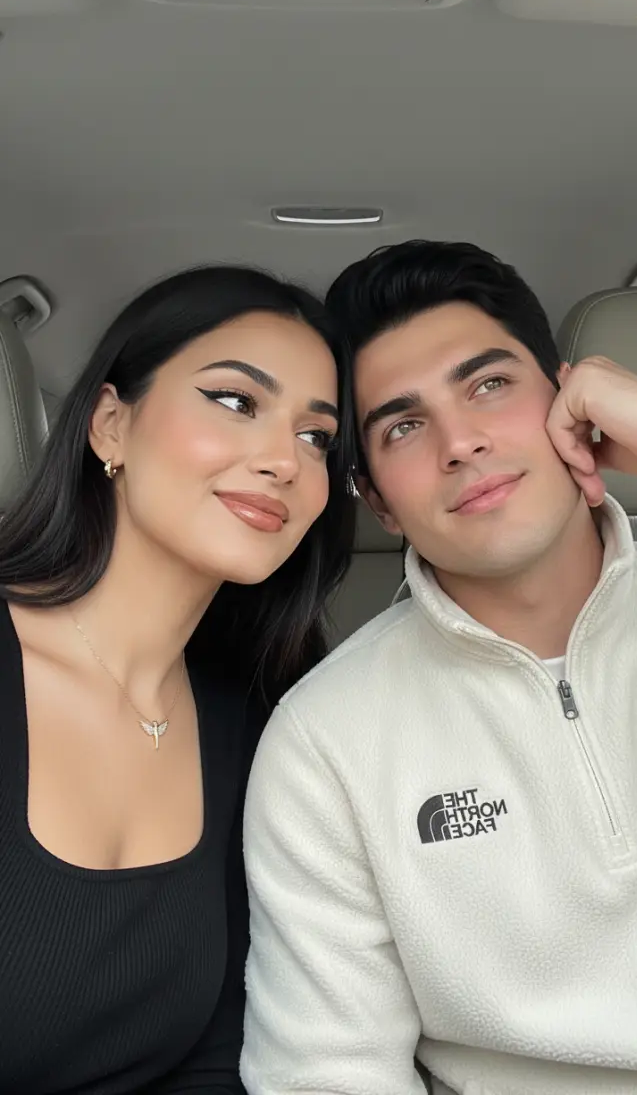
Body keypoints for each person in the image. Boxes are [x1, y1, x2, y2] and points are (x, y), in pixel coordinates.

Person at [240, 241, 637, 1095]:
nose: (461, 442)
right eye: (404, 426)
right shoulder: (324, 740)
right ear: (377, 501)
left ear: (575, 403)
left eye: (490, 385)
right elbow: (326, 1075)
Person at [0, 264, 356, 1095]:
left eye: (317, 437)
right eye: (236, 401)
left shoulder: (266, 719)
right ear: (110, 426)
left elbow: (222, 1052)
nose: (284, 461)